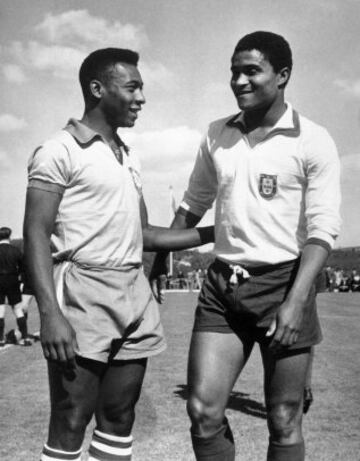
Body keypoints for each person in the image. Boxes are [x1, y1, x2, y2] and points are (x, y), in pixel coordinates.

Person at [151, 31, 341, 461]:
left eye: (251, 71)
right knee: (202, 411)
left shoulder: (313, 139)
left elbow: (323, 228)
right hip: (223, 285)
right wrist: (154, 265)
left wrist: (295, 301)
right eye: (234, 72)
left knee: (284, 417)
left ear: (283, 75)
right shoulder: (217, 134)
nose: (239, 81)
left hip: (285, 284)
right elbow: (192, 205)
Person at [23, 48, 213, 461]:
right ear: (97, 89)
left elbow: (145, 234)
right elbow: (35, 233)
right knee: (71, 418)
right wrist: (51, 314)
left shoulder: (129, 156)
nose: (142, 97)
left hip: (134, 291)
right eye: (132, 87)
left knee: (119, 417)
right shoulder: (59, 149)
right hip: (82, 291)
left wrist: (218, 231)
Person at [0, 226, 32, 347]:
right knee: (18, 309)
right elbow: (23, 268)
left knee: (0, 310)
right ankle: (25, 338)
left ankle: (1, 339)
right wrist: (21, 282)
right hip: (13, 280)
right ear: (9, 236)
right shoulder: (15, 250)